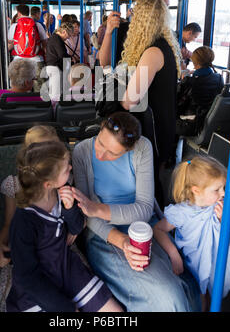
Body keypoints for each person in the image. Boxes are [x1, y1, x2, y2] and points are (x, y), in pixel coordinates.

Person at [72, 111, 200, 312]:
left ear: (128, 149)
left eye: (112, 153)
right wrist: (121, 241)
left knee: (187, 287)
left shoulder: (142, 147)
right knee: (167, 296)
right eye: (100, 143)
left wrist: (97, 208)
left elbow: (143, 210)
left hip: (144, 227)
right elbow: (89, 217)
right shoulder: (82, 152)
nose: (100, 154)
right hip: (104, 234)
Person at [6, 140, 123, 312]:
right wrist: (65, 307)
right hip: (39, 285)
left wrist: (69, 209)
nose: (70, 167)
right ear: (48, 183)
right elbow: (27, 276)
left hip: (67, 268)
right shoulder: (24, 221)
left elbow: (76, 228)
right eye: (66, 168)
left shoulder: (63, 191)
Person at [0, 125, 61, 312]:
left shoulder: (61, 180)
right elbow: (8, 223)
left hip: (55, 250)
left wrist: (74, 231)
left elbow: (70, 216)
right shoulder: (14, 185)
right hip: (23, 253)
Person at [153, 155, 230, 311]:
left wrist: (225, 220)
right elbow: (158, 229)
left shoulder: (221, 208)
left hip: (217, 267)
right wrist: (174, 254)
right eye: (217, 189)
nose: (223, 193)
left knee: (212, 299)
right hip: (194, 269)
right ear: (196, 190)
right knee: (199, 302)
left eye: (223, 188)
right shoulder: (183, 213)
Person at [116, 0, 181, 208]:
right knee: (154, 176)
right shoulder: (166, 47)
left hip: (153, 126)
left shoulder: (152, 52)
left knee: (147, 182)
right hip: (165, 121)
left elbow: (129, 101)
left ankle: (153, 223)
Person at [176, 46, 224, 137]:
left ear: (194, 62)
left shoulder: (190, 82)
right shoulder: (219, 78)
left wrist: (183, 81)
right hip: (209, 122)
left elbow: (178, 102)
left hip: (191, 124)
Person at [0, 59, 41, 126]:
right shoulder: (39, 100)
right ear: (27, 83)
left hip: (4, 135)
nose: (34, 81)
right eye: (33, 79)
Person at [7, 4, 48, 91]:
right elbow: (45, 45)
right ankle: (40, 104)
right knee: (40, 90)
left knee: (22, 89)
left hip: (19, 62)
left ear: (18, 13)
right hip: (37, 60)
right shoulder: (38, 25)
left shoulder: (14, 26)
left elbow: (11, 42)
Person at [44, 22, 74, 102]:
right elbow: (62, 54)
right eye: (69, 35)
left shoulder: (54, 38)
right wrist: (71, 59)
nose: (68, 38)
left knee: (55, 92)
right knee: (55, 95)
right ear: (64, 31)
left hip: (53, 67)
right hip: (55, 68)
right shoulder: (56, 39)